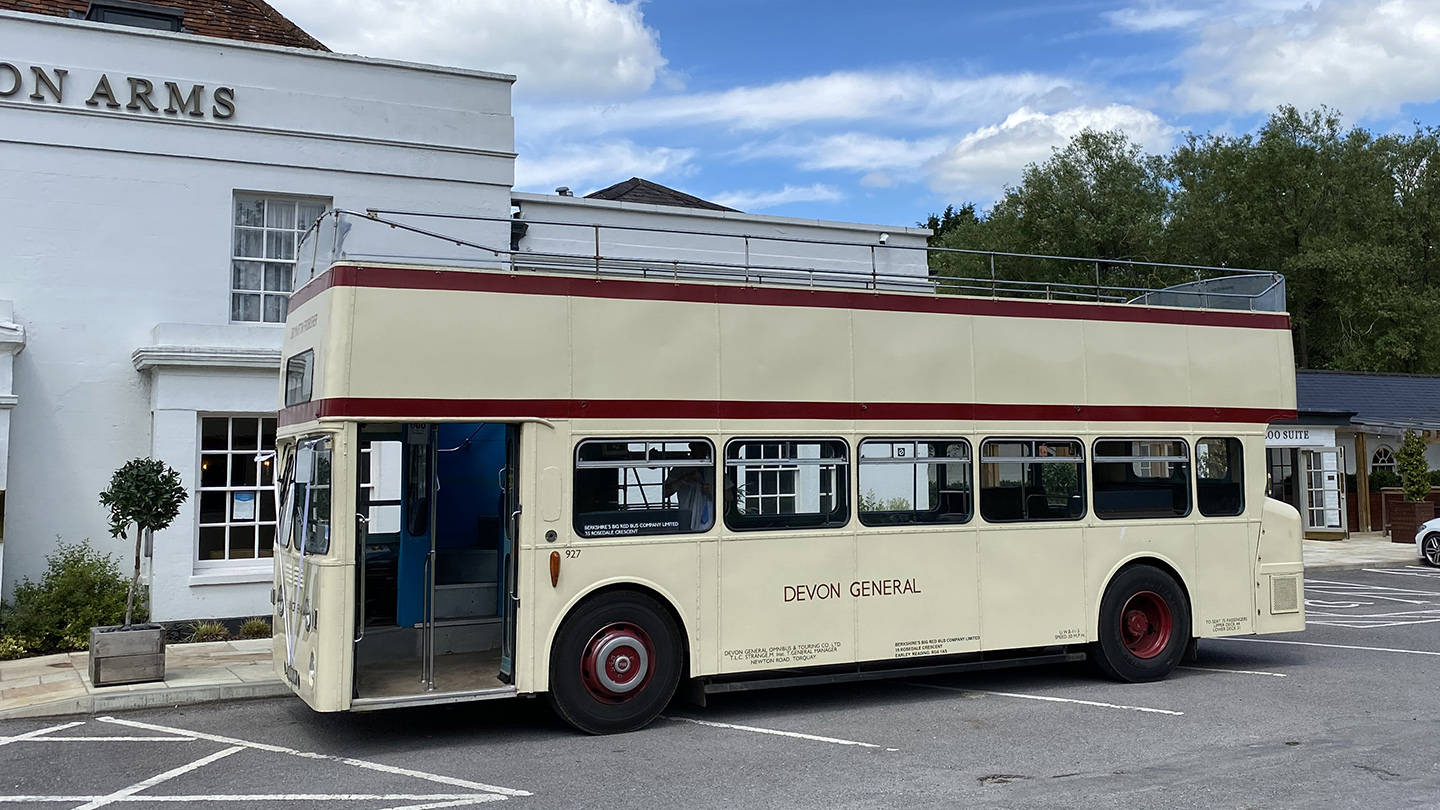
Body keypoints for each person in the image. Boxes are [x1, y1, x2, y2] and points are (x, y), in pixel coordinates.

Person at [663, 443, 714, 531]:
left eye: (706, 447)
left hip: (712, 522)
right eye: (700, 446)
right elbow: (665, 492)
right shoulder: (681, 467)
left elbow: (729, 496)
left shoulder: (714, 468)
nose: (703, 450)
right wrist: (686, 479)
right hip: (687, 518)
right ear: (691, 447)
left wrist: (714, 491)